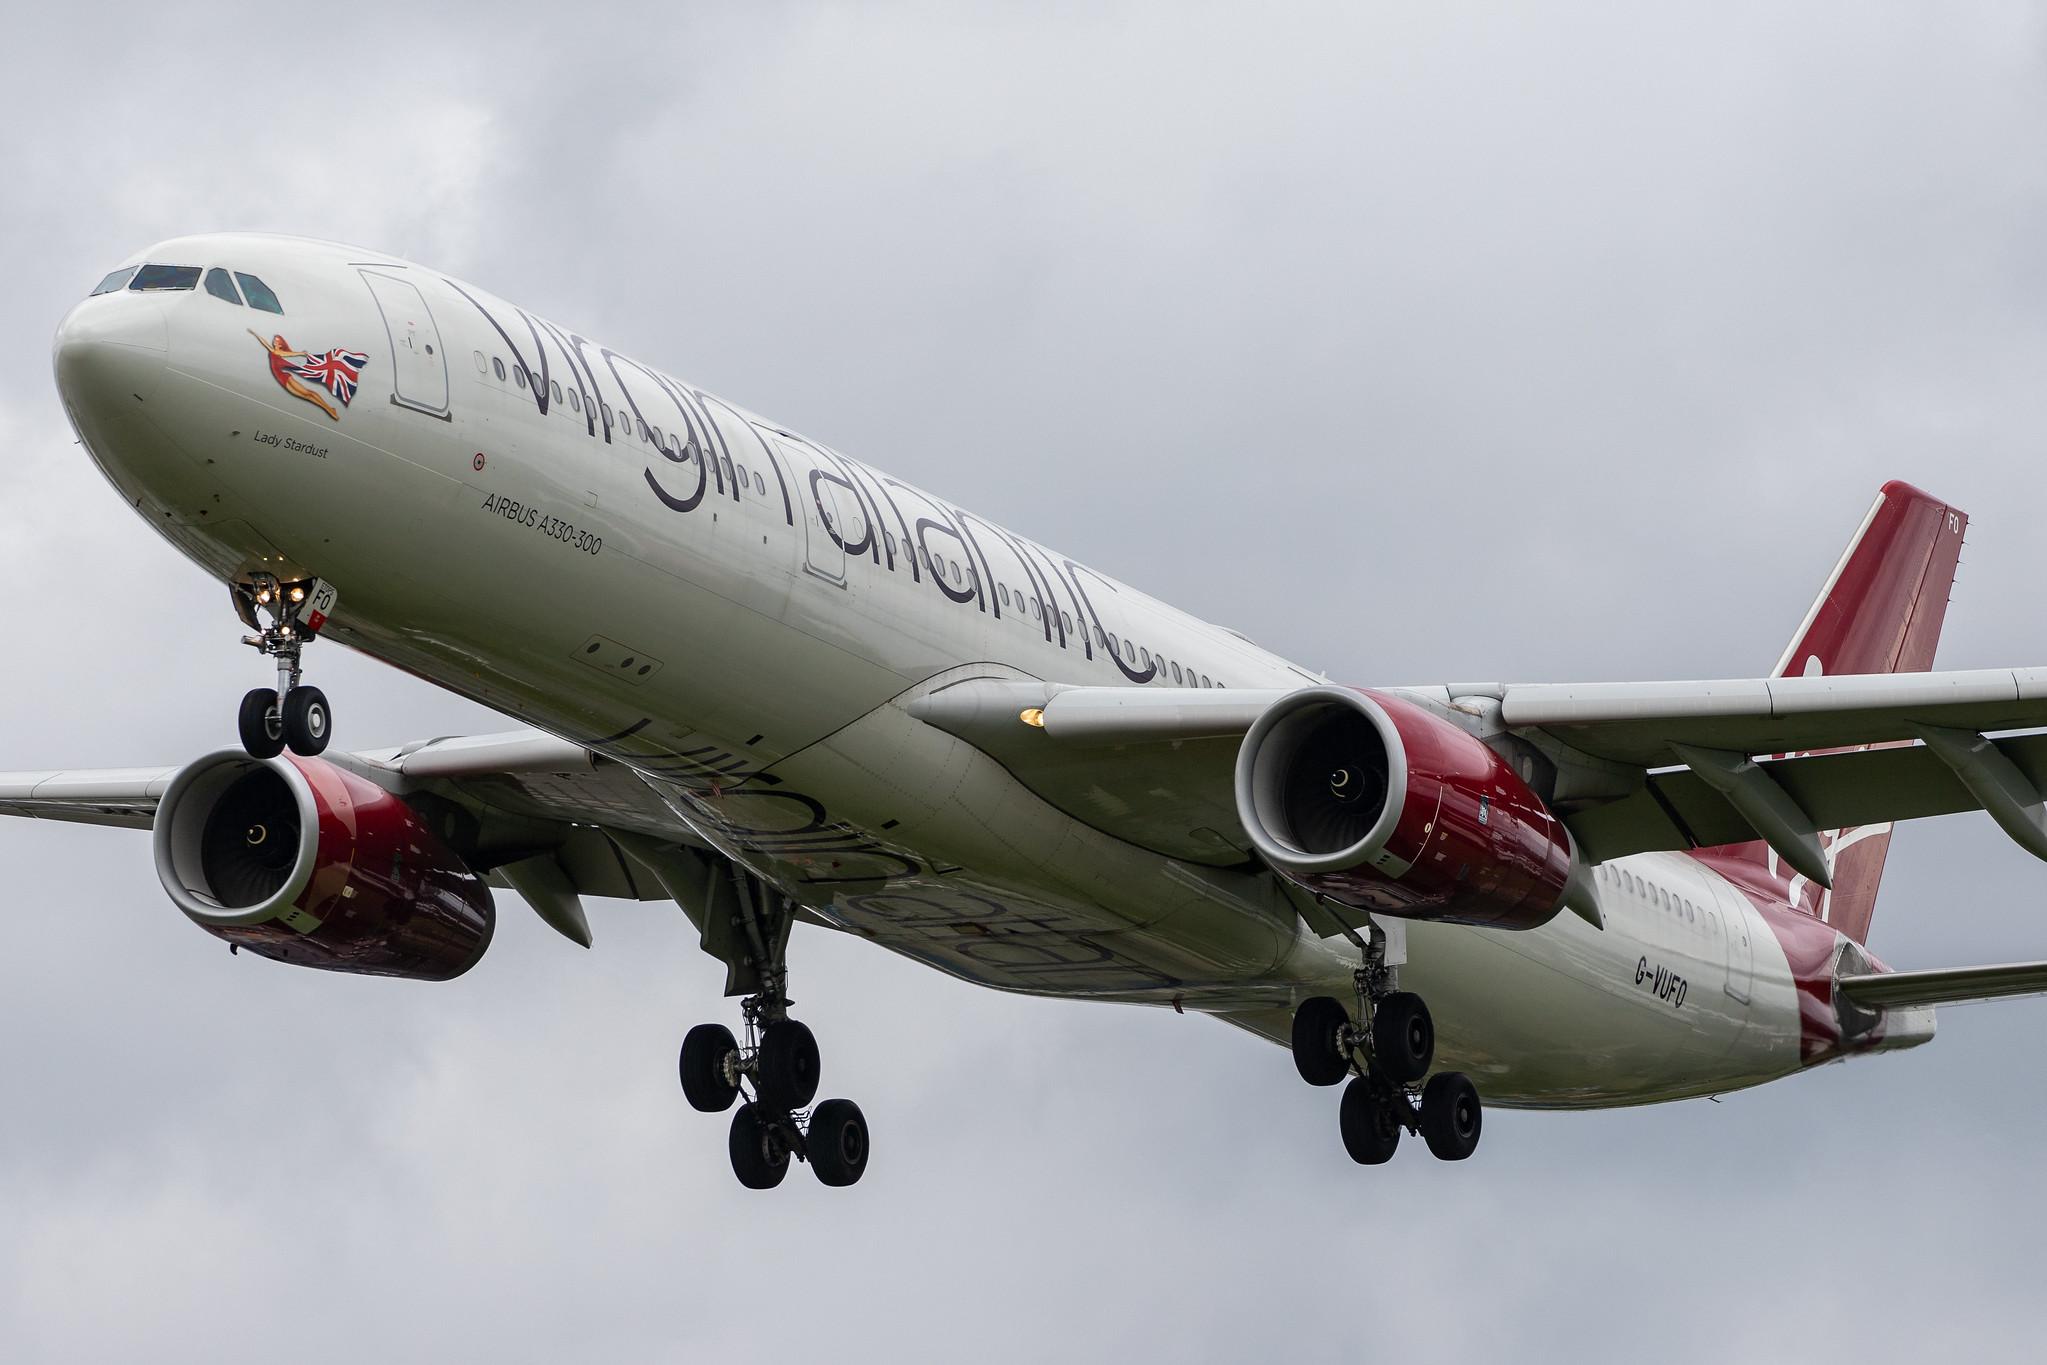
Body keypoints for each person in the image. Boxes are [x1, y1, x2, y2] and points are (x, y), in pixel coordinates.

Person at [248, 330, 338, 420]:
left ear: (280, 344)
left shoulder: (280, 352)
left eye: (277, 340)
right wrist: (255, 334)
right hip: (281, 380)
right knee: (306, 396)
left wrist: (301, 353)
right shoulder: (272, 350)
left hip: (285, 377)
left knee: (307, 392)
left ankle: (329, 409)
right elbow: (264, 343)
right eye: (275, 339)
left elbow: (291, 354)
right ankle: (329, 409)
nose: (274, 341)